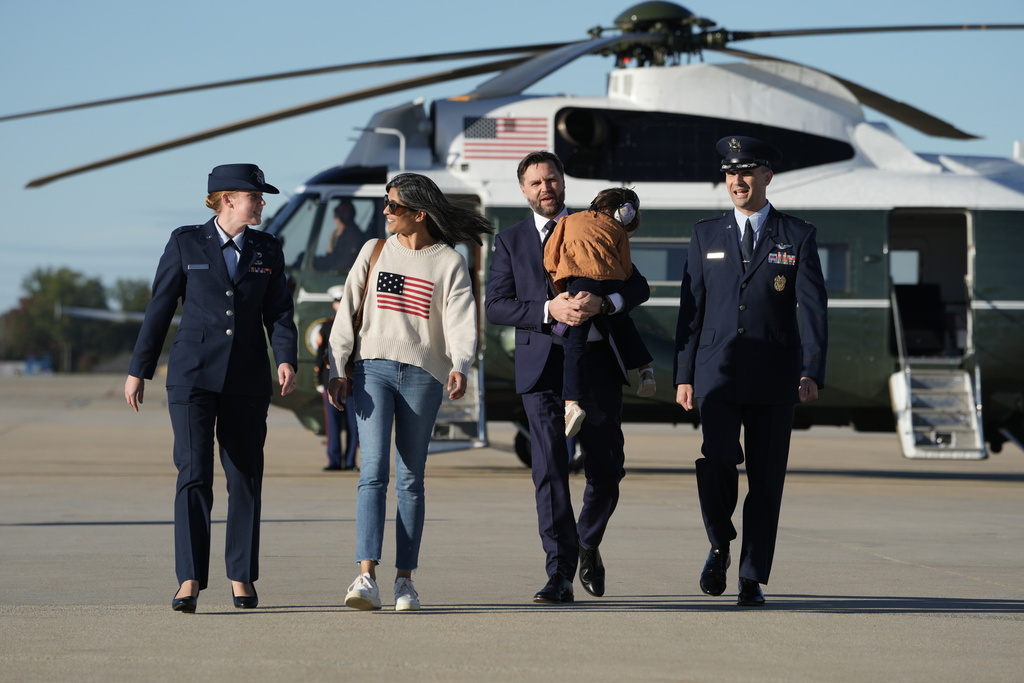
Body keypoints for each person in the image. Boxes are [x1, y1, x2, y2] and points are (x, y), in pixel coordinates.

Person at [124, 163, 298, 613]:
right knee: (194, 474)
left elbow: (279, 313)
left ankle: (241, 575)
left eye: (261, 197)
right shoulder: (186, 241)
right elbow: (160, 307)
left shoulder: (267, 248)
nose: (261, 203)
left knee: (244, 477)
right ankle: (189, 579)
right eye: (255, 197)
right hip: (192, 376)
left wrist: (285, 358)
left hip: (246, 379)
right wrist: (139, 368)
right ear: (227, 200)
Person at [485, 151, 651, 604]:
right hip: (541, 369)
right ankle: (559, 573)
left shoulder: (594, 226)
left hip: (597, 363)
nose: (546, 188)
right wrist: (547, 309)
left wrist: (607, 304)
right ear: (523, 190)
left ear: (563, 183)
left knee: (607, 470)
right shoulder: (511, 242)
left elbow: (638, 286)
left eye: (552, 179)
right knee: (550, 470)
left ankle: (587, 542)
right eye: (536, 182)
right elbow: (496, 305)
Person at [674, 136, 828, 607]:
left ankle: (751, 575)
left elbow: (814, 309)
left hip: (775, 376)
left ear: (766, 177)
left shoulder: (796, 234)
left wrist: (811, 369)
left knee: (766, 479)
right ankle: (720, 541)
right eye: (729, 174)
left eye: (746, 173)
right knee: (716, 460)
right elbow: (691, 310)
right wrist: (684, 374)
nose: (736, 181)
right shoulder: (705, 234)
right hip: (716, 373)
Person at [327, 172, 492, 611]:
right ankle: (365, 577)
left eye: (393, 205)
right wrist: (337, 366)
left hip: (424, 375)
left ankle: (404, 582)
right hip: (371, 369)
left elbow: (460, 319)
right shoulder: (374, 250)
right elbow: (347, 311)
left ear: (419, 214)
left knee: (411, 478)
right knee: (373, 470)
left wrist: (461, 364)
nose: (385, 211)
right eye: (386, 203)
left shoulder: (449, 262)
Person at [543, 187, 656, 437]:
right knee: (624, 323)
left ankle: (571, 403)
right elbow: (627, 267)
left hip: (578, 283)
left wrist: (561, 285)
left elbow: (551, 257)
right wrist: (614, 287)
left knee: (574, 345)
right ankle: (645, 370)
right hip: (612, 281)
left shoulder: (567, 221)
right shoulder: (617, 230)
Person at [314, 284, 358, 471]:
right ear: (333, 305)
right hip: (330, 379)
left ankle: (350, 461)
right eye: (337, 301)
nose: (340, 305)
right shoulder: (326, 326)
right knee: (332, 425)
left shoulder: (357, 324)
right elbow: (320, 356)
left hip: (353, 383)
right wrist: (319, 381)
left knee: (354, 426)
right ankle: (333, 460)